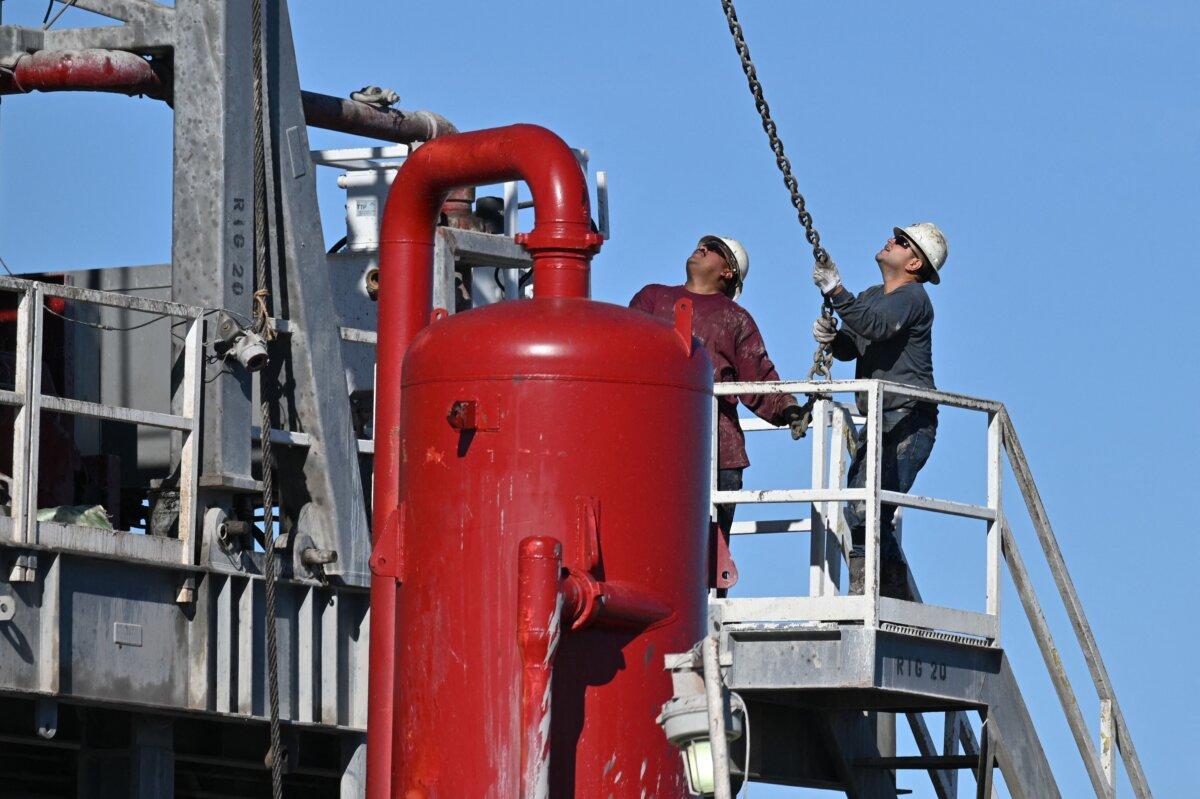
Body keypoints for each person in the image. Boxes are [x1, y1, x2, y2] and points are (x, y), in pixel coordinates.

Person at [630, 235, 809, 536]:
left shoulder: (735, 319)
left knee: (710, 555)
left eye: (714, 249)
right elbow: (626, 352)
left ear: (728, 272)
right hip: (650, 443)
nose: (702, 248)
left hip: (719, 453)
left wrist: (788, 408)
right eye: (703, 244)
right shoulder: (651, 298)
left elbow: (759, 377)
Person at [811, 222, 948, 599]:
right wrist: (834, 337)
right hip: (882, 418)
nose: (891, 241)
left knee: (868, 508)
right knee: (863, 507)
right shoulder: (873, 295)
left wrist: (836, 291)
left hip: (909, 420)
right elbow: (855, 342)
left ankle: (875, 592)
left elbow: (876, 325)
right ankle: (883, 591)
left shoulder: (913, 298)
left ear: (916, 262)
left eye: (901, 242)